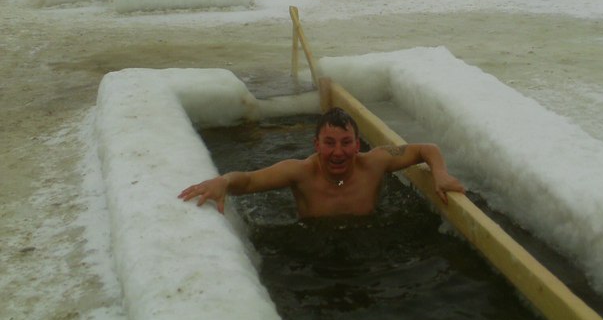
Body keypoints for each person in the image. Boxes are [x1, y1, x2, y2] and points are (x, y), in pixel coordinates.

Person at [179, 107, 466, 218]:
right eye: (329, 143)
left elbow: (426, 149)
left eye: (345, 143)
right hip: (313, 249)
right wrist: (224, 181)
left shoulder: (376, 162)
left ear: (357, 145)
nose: (338, 152)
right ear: (317, 145)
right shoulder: (300, 172)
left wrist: (439, 174)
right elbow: (251, 180)